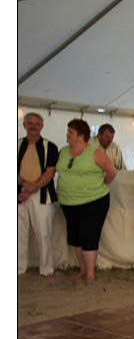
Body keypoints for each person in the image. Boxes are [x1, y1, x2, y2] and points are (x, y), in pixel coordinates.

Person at [56, 118, 117, 284]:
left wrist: (100, 185)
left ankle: (90, 273)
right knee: (75, 237)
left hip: (93, 201)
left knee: (89, 236)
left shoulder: (95, 152)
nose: (67, 134)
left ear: (81, 136)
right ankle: (82, 270)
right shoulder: (63, 151)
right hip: (68, 201)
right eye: (68, 131)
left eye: (71, 132)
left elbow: (111, 171)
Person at [18, 112, 59, 278]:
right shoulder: (16, 145)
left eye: (36, 123)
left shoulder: (50, 146)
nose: (33, 126)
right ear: (24, 125)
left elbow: (50, 171)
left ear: (42, 126)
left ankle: (46, 268)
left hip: (42, 194)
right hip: (19, 194)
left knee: (44, 232)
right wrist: (23, 185)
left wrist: (33, 186)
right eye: (30, 123)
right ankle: (19, 267)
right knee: (19, 232)